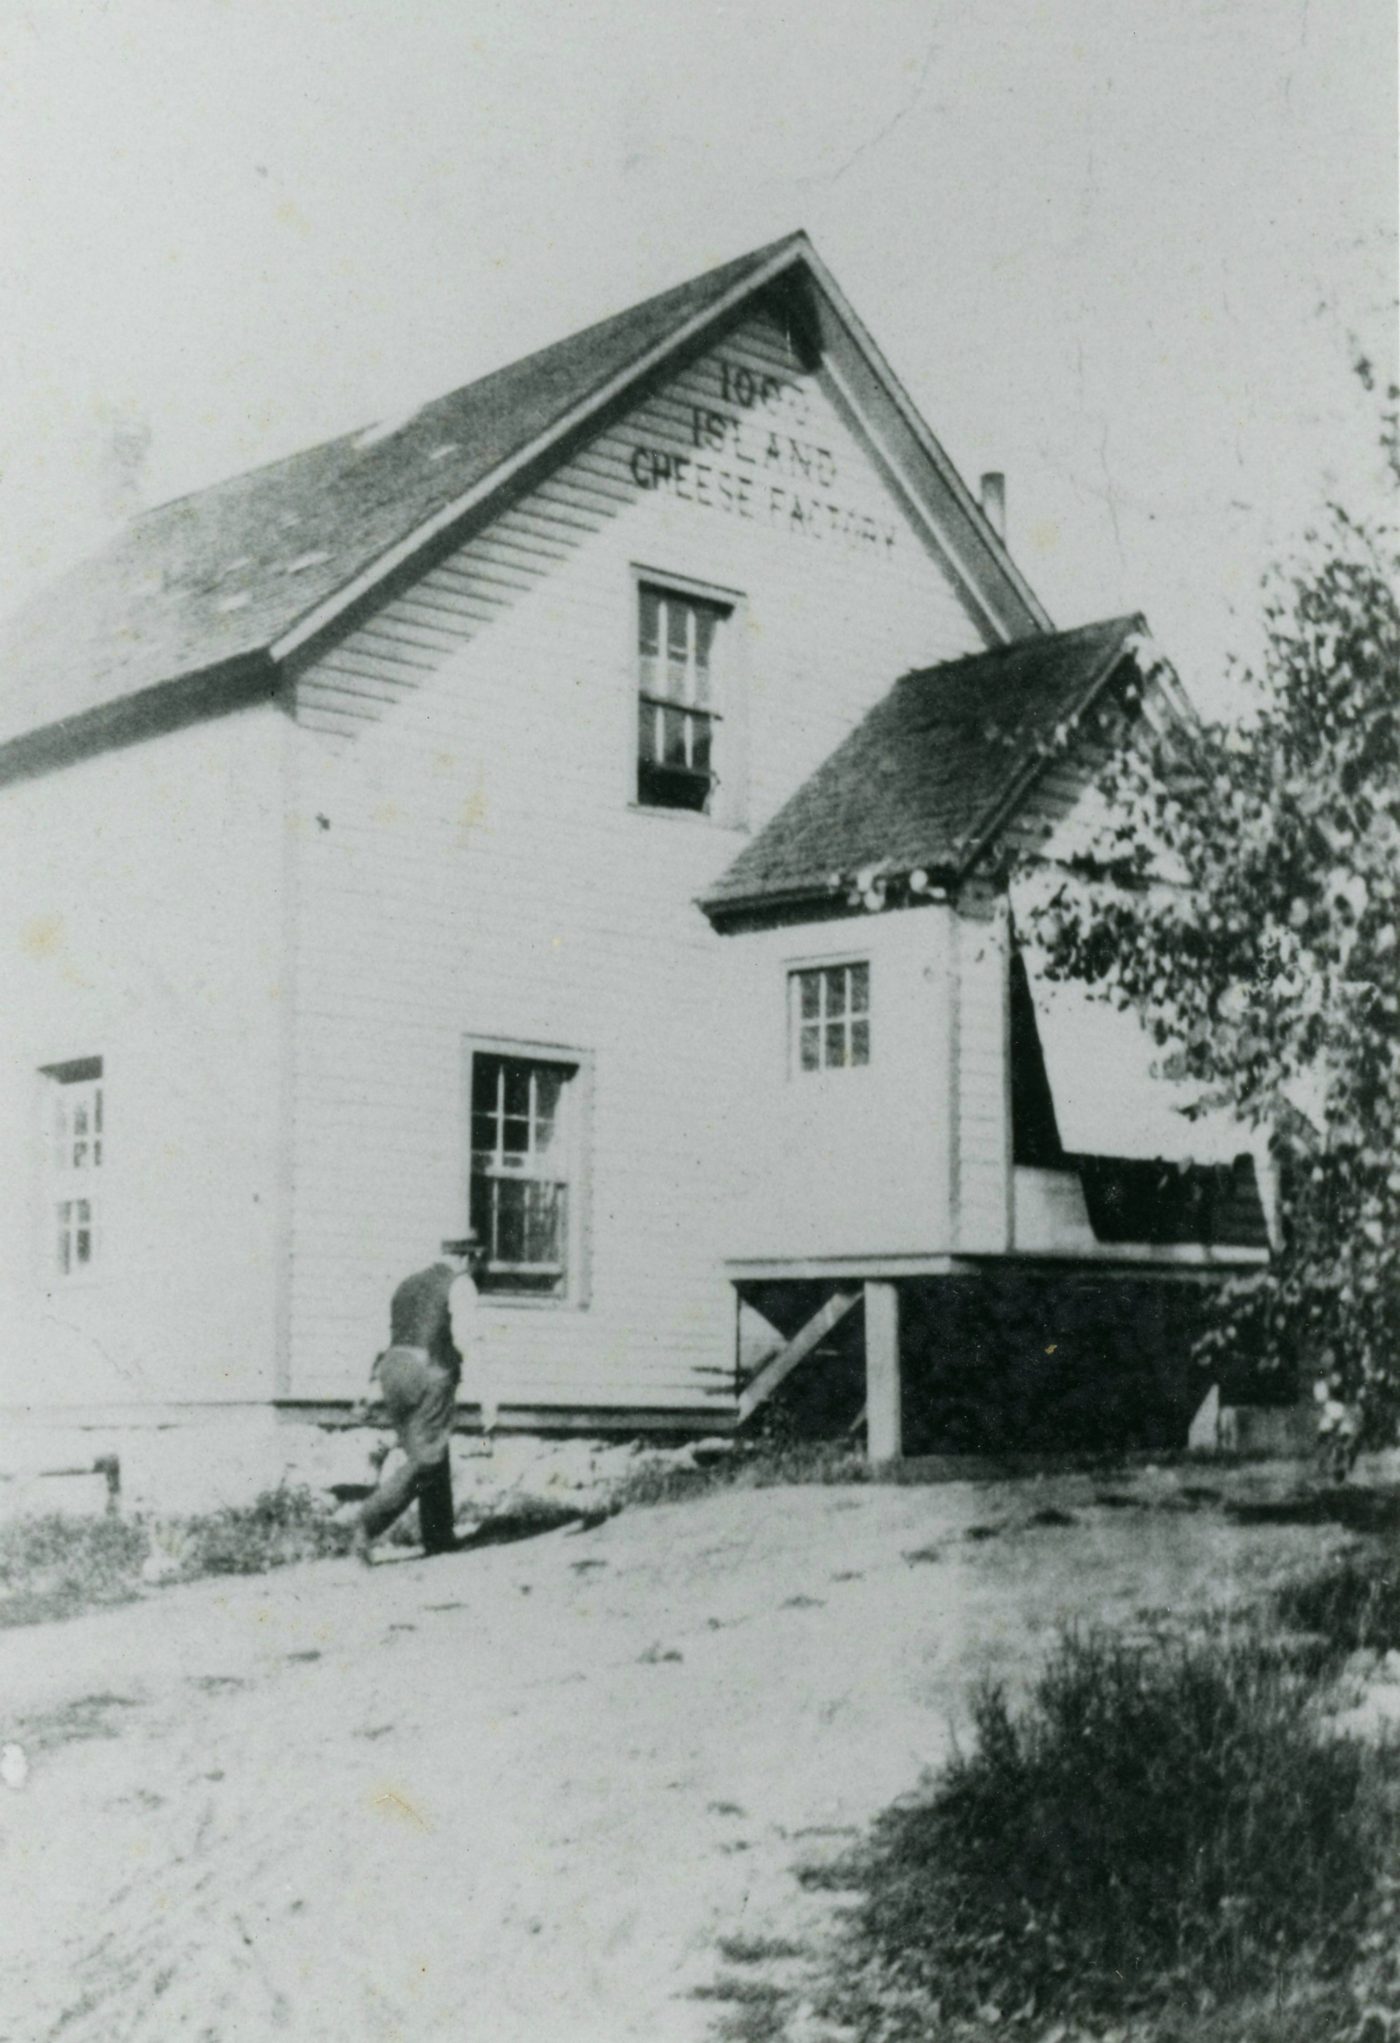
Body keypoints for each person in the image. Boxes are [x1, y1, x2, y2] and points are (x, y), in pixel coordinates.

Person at [351, 1232, 490, 1564]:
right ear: (468, 1257)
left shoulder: (408, 1284)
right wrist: (489, 1399)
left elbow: (380, 1341)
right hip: (429, 1371)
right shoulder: (460, 1284)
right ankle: (366, 1523)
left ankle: (439, 1536)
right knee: (426, 1458)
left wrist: (366, 1388)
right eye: (475, 1262)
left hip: (393, 1370)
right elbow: (471, 1341)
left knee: (430, 1450)